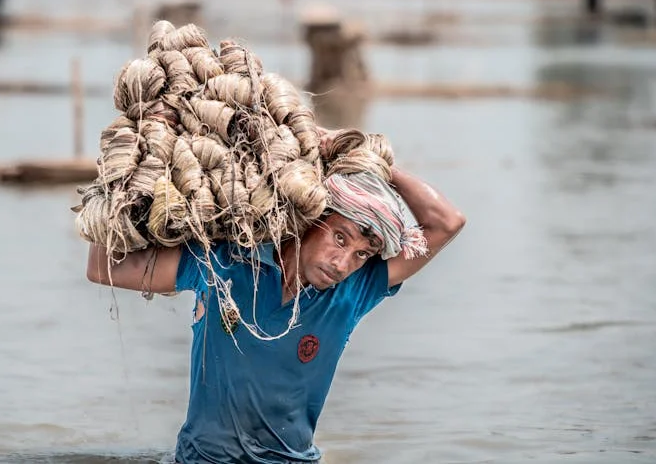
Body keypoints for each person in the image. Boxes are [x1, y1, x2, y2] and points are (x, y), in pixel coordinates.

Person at [86, 129, 465, 463]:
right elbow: (103, 267)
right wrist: (120, 174)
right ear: (310, 218)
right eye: (340, 237)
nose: (343, 263)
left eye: (362, 254)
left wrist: (364, 162)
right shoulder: (225, 262)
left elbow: (447, 223)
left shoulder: (353, 292)